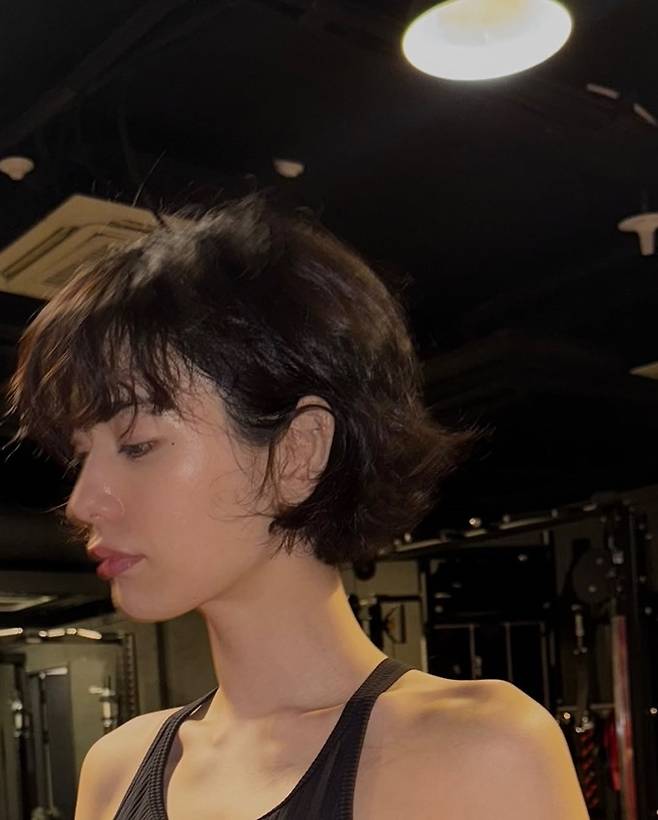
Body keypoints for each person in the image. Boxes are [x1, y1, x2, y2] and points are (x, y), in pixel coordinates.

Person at [7, 195, 588, 819]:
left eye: (138, 445)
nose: (83, 501)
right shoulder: (115, 770)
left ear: (298, 451)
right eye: (81, 456)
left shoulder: (474, 755)